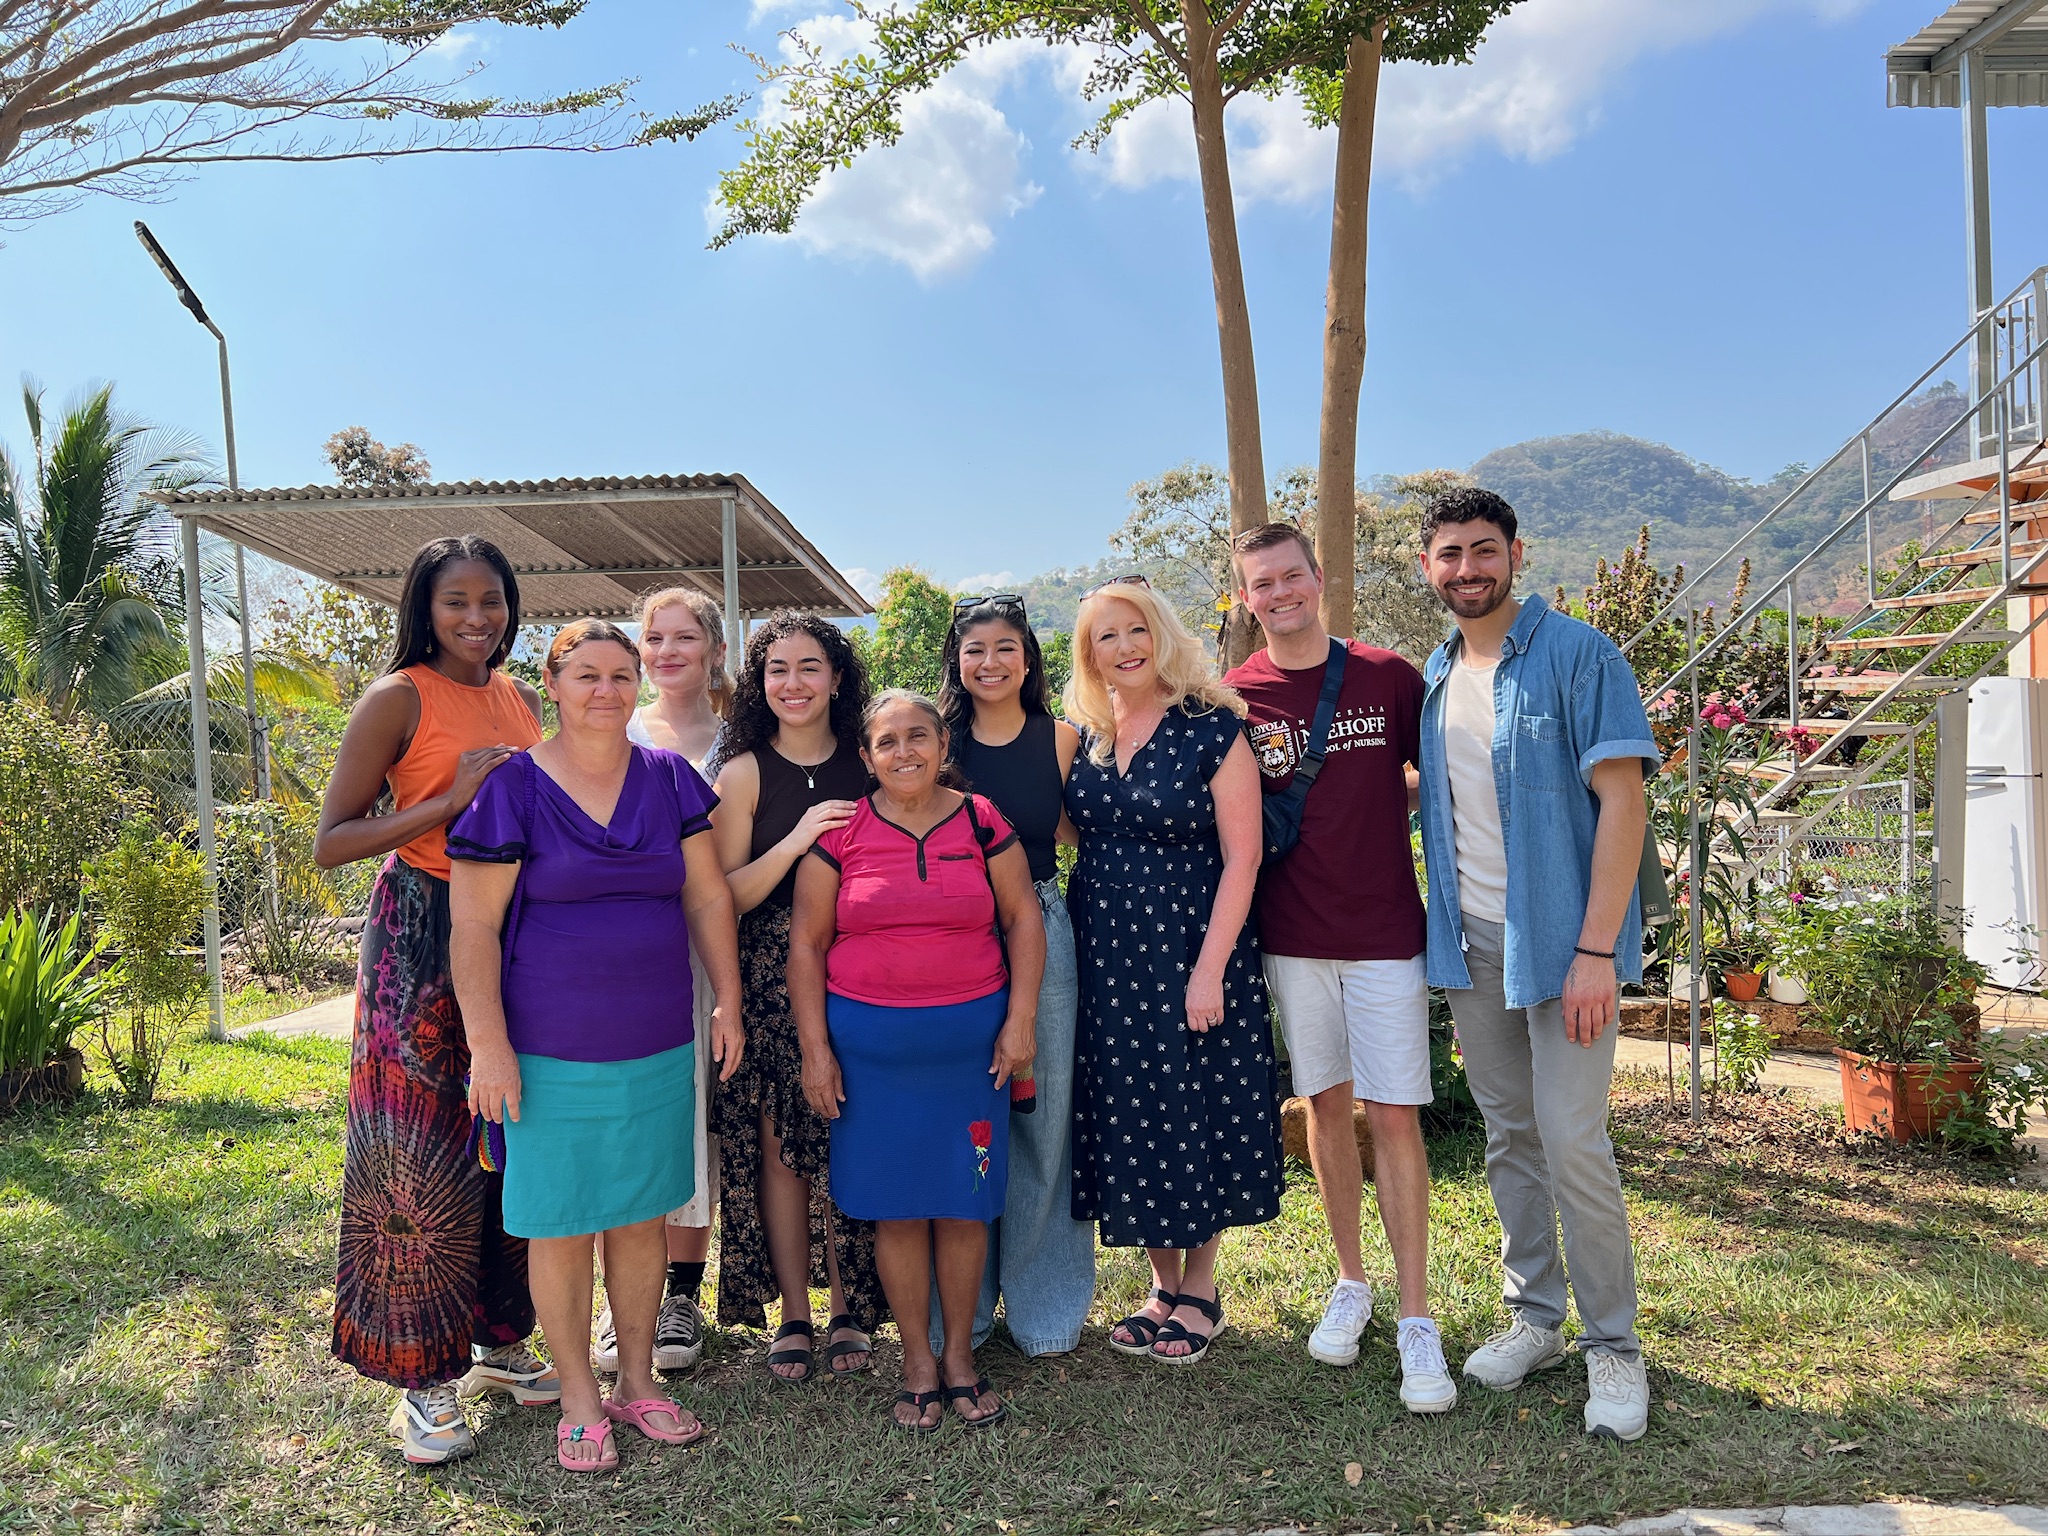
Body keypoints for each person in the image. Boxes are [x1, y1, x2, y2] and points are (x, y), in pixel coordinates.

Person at [448, 619, 744, 1470]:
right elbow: (473, 926)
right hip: (547, 1050)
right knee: (563, 1225)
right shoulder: (512, 788)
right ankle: (579, 1395)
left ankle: (638, 1382)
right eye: (588, 675)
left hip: (655, 1041)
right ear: (554, 683)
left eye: (622, 674)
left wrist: (726, 1000)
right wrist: (489, 1046)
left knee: (643, 1217)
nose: (607, 690)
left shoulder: (671, 778)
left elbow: (707, 899)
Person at [1414, 487, 1659, 1442]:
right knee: (1510, 1135)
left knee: (1572, 1139)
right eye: (1449, 555)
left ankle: (1614, 1346)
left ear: (1517, 552)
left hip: (1566, 947)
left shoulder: (1579, 654)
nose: (1467, 569)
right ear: (1428, 567)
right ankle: (1535, 1318)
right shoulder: (1436, 674)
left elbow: (1624, 805)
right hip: (1474, 945)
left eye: (1483, 551)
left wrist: (1597, 949)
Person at [314, 535, 561, 1465]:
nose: (476, 618)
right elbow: (333, 840)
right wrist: (446, 802)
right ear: (425, 606)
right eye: (456, 601)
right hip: (419, 932)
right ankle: (422, 1382)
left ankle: (503, 1339)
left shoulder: (519, 697)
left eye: (491, 600)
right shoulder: (397, 696)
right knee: (416, 1152)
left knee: (505, 1132)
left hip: (510, 929)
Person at [1225, 523, 1457, 1413]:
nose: (1279, 593)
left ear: (1318, 579)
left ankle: (1416, 1316)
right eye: (1261, 584)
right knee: (1325, 1105)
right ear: (1245, 599)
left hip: (1386, 935)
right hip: (1290, 937)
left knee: (1392, 1115)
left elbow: (1427, 778)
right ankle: (1351, 1283)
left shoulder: (1389, 676)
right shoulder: (1232, 698)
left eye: (1291, 576)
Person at [789, 690, 1045, 1431]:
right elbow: (806, 946)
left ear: (942, 745)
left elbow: (1023, 916)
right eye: (887, 741)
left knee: (964, 1206)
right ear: (865, 757)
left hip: (973, 1057)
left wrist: (1021, 1020)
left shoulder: (980, 819)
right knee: (898, 1210)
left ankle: (960, 1357)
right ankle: (916, 1362)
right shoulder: (842, 834)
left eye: (919, 737)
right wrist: (815, 1051)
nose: (905, 752)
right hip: (870, 1062)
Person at [1063, 576, 1282, 1364]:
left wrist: (1209, 970)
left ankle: (1202, 1288)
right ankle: (1160, 1286)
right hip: (1105, 952)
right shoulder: (1085, 733)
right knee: (1128, 1106)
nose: (1121, 649)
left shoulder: (1212, 728)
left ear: (1159, 633)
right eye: (1103, 638)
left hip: (1191, 944)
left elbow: (1244, 855)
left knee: (1196, 1103)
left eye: (1133, 631)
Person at [708, 611, 882, 1380]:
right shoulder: (743, 773)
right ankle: (796, 1314)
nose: (794, 683)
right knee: (783, 1148)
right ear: (760, 683)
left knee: (850, 1133)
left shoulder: (872, 763)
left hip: (863, 971)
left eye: (810, 667)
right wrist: (797, 837)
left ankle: (850, 1305)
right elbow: (721, 896)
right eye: (777, 669)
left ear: (837, 678)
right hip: (770, 974)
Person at [935, 593, 1097, 1359]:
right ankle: (956, 1311)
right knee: (961, 1119)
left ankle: (1045, 1300)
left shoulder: (1060, 738)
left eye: (1005, 648)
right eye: (975, 650)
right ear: (956, 663)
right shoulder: (936, 743)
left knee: (1042, 1118)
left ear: (1028, 658)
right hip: (950, 935)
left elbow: (1073, 832)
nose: (990, 663)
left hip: (1042, 923)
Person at [584, 587, 730, 1376]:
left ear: (712, 648)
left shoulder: (741, 741)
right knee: (626, 1113)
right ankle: (620, 1300)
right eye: (654, 638)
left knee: (696, 1119)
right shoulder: (616, 728)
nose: (667, 651)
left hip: (715, 951)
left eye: (683, 637)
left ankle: (682, 1293)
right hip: (627, 955)